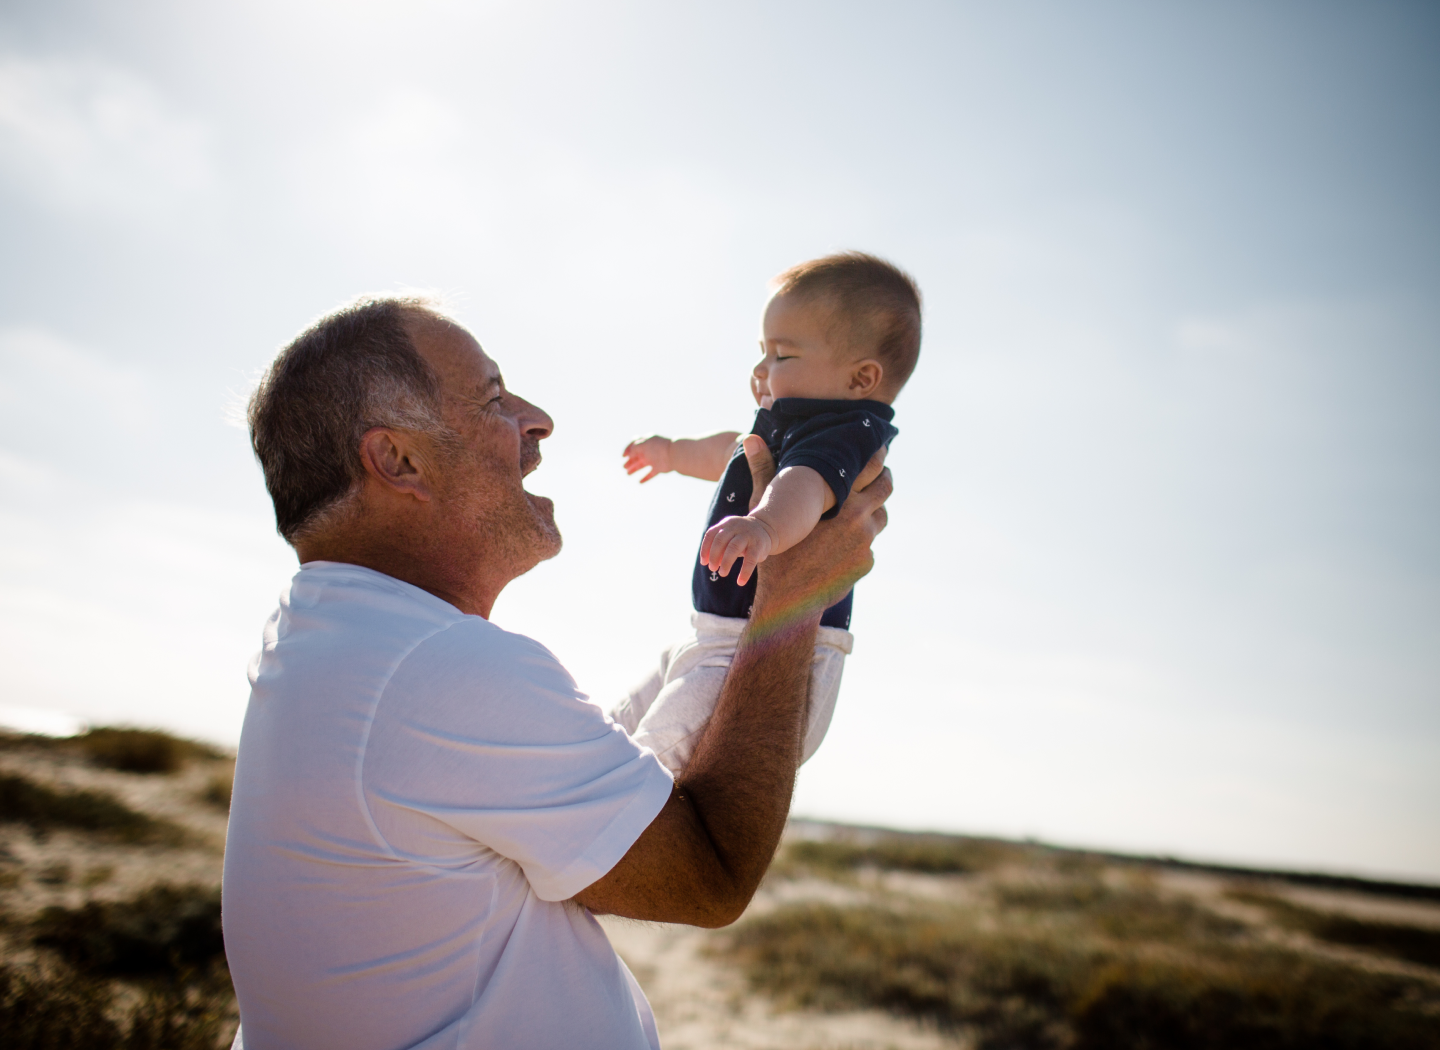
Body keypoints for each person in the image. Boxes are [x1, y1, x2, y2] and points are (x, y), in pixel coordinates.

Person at [222, 295, 892, 1050]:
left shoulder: (327, 639)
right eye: (494, 399)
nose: (536, 418)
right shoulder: (435, 669)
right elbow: (710, 874)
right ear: (399, 460)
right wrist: (794, 601)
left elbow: (589, 833)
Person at [615, 252, 921, 773]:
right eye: (763, 351)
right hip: (717, 633)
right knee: (613, 731)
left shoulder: (844, 435)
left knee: (637, 768)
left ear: (860, 379)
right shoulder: (796, 425)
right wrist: (671, 453)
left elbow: (802, 486)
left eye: (782, 355)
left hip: (770, 650)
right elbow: (734, 450)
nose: (761, 370)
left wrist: (764, 525)